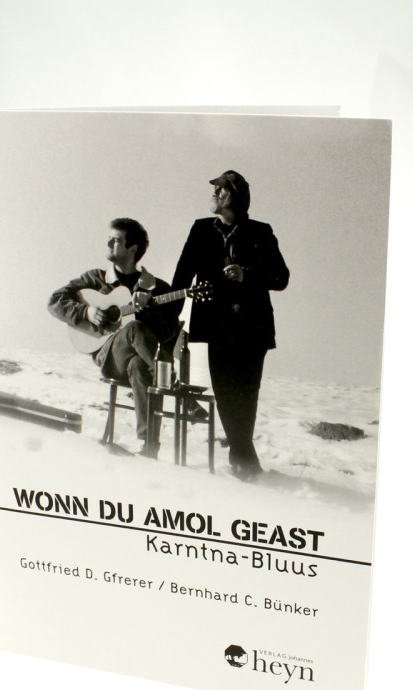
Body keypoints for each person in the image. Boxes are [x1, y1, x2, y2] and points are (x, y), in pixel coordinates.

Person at [171, 170, 289, 480]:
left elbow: (281, 277)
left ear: (235, 195)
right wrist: (169, 319)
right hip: (215, 325)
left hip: (253, 327)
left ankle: (242, 458)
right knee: (225, 393)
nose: (214, 193)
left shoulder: (260, 232)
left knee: (246, 394)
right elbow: (182, 276)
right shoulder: (200, 229)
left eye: (220, 189)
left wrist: (247, 274)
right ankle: (243, 458)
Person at [48, 218, 181, 456]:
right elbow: (54, 301)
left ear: (133, 249)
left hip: (140, 360)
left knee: (139, 365)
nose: (109, 243)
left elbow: (169, 330)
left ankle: (149, 446)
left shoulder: (155, 286)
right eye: (109, 238)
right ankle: (172, 385)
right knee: (134, 329)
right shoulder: (95, 279)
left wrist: (149, 304)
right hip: (109, 357)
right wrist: (86, 311)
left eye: (116, 240)